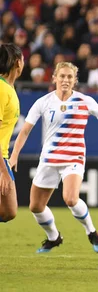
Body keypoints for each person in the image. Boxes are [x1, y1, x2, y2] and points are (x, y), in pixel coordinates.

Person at [10, 62, 98, 253]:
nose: (65, 80)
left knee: (70, 198)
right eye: (62, 76)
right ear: (54, 78)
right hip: (49, 158)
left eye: (69, 77)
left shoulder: (85, 101)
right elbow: (25, 131)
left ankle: (91, 232)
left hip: (73, 157)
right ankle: (54, 237)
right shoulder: (43, 102)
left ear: (75, 80)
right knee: (35, 206)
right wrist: (14, 156)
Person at [0, 44, 24, 223]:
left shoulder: (8, 88)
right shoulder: (2, 90)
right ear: (17, 62)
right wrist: (4, 171)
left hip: (4, 157)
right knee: (9, 210)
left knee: (8, 211)